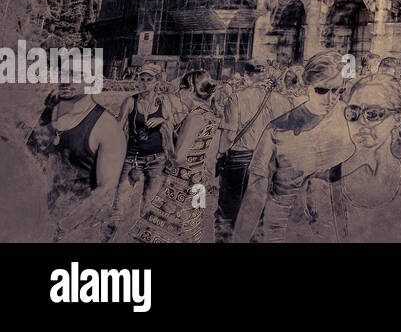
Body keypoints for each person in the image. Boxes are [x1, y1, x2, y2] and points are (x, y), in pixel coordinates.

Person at [232, 51, 355, 242]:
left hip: (332, 232)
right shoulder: (277, 129)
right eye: (322, 90)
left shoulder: (351, 124)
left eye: (337, 91)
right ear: (307, 85)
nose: (330, 99)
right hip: (280, 229)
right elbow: (255, 193)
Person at [314, 75, 401, 243]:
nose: (362, 121)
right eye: (353, 113)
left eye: (373, 113)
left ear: (397, 119)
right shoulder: (317, 186)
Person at [130, 70, 222, 243]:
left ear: (190, 90)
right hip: (199, 180)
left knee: (156, 234)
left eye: (181, 89)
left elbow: (178, 157)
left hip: (182, 181)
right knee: (190, 233)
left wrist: (166, 133)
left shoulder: (195, 117)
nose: (178, 94)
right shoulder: (210, 115)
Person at [27, 83, 126, 241]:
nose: (67, 79)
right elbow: (27, 160)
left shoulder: (107, 127)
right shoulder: (45, 113)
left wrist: (61, 228)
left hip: (73, 226)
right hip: (33, 217)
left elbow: (105, 190)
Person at [217, 67, 292, 235]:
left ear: (248, 77)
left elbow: (229, 134)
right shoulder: (283, 101)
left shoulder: (237, 97)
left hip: (240, 159)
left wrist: (220, 154)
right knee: (259, 216)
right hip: (269, 163)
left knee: (228, 215)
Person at [115, 63, 178, 225]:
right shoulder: (130, 101)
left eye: (149, 79)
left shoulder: (163, 102)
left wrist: (162, 120)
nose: (144, 83)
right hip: (132, 158)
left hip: (157, 160)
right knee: (117, 208)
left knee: (148, 209)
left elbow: (172, 127)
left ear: (156, 81)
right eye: (141, 79)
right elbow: (117, 128)